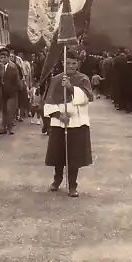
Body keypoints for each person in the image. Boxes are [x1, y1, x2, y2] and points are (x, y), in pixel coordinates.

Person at [43, 50, 94, 198]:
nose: (71, 66)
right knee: (59, 153)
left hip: (77, 123)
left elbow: (87, 98)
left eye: (73, 63)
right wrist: (58, 115)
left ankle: (72, 184)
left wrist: (71, 87)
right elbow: (49, 100)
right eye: (68, 63)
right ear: (62, 63)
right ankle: (57, 179)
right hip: (60, 122)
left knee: (74, 156)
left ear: (78, 64)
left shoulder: (83, 79)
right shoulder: (56, 79)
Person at [0, 47, 20, 135]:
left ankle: (10, 128)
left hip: (11, 93)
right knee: (3, 110)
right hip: (1, 92)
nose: (3, 59)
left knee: (10, 110)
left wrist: (16, 90)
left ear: (8, 58)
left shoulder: (13, 68)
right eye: (1, 57)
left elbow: (17, 81)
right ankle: (3, 127)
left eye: (4, 57)